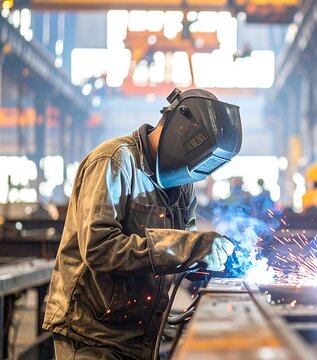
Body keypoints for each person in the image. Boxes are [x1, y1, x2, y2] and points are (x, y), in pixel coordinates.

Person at [43, 88, 243, 359]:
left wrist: (213, 259)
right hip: (93, 335)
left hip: (142, 335)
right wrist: (189, 248)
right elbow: (99, 247)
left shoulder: (183, 183)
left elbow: (183, 247)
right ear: (179, 129)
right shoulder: (114, 161)